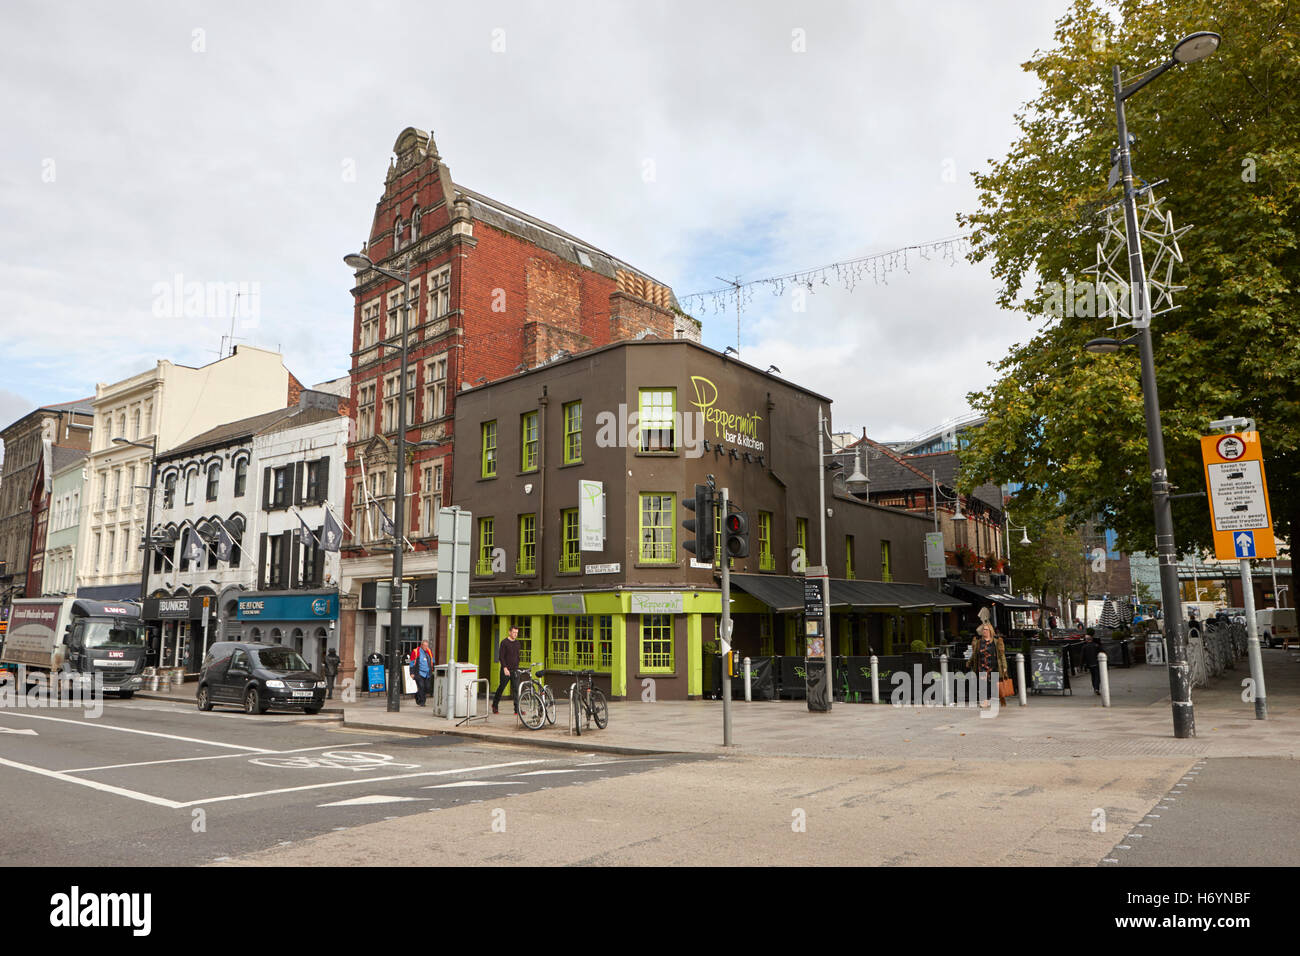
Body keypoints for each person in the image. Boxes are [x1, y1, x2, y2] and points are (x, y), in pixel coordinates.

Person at [492, 625, 522, 716]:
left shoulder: (517, 643)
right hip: (506, 670)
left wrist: (517, 667)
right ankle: (494, 705)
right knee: (501, 688)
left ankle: (517, 710)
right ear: (509, 632)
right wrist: (505, 668)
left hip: (515, 670)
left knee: (516, 689)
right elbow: (501, 656)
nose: (515, 634)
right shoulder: (504, 642)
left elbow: (517, 656)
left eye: (517, 633)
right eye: (514, 632)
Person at [410, 640, 434, 706]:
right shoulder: (416, 652)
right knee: (421, 687)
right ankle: (422, 702)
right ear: (421, 645)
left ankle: (417, 694)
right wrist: (411, 673)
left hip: (427, 673)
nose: (426, 647)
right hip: (419, 673)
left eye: (427, 645)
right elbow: (412, 663)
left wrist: (433, 669)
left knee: (427, 687)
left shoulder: (429, 652)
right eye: (425, 645)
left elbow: (432, 661)